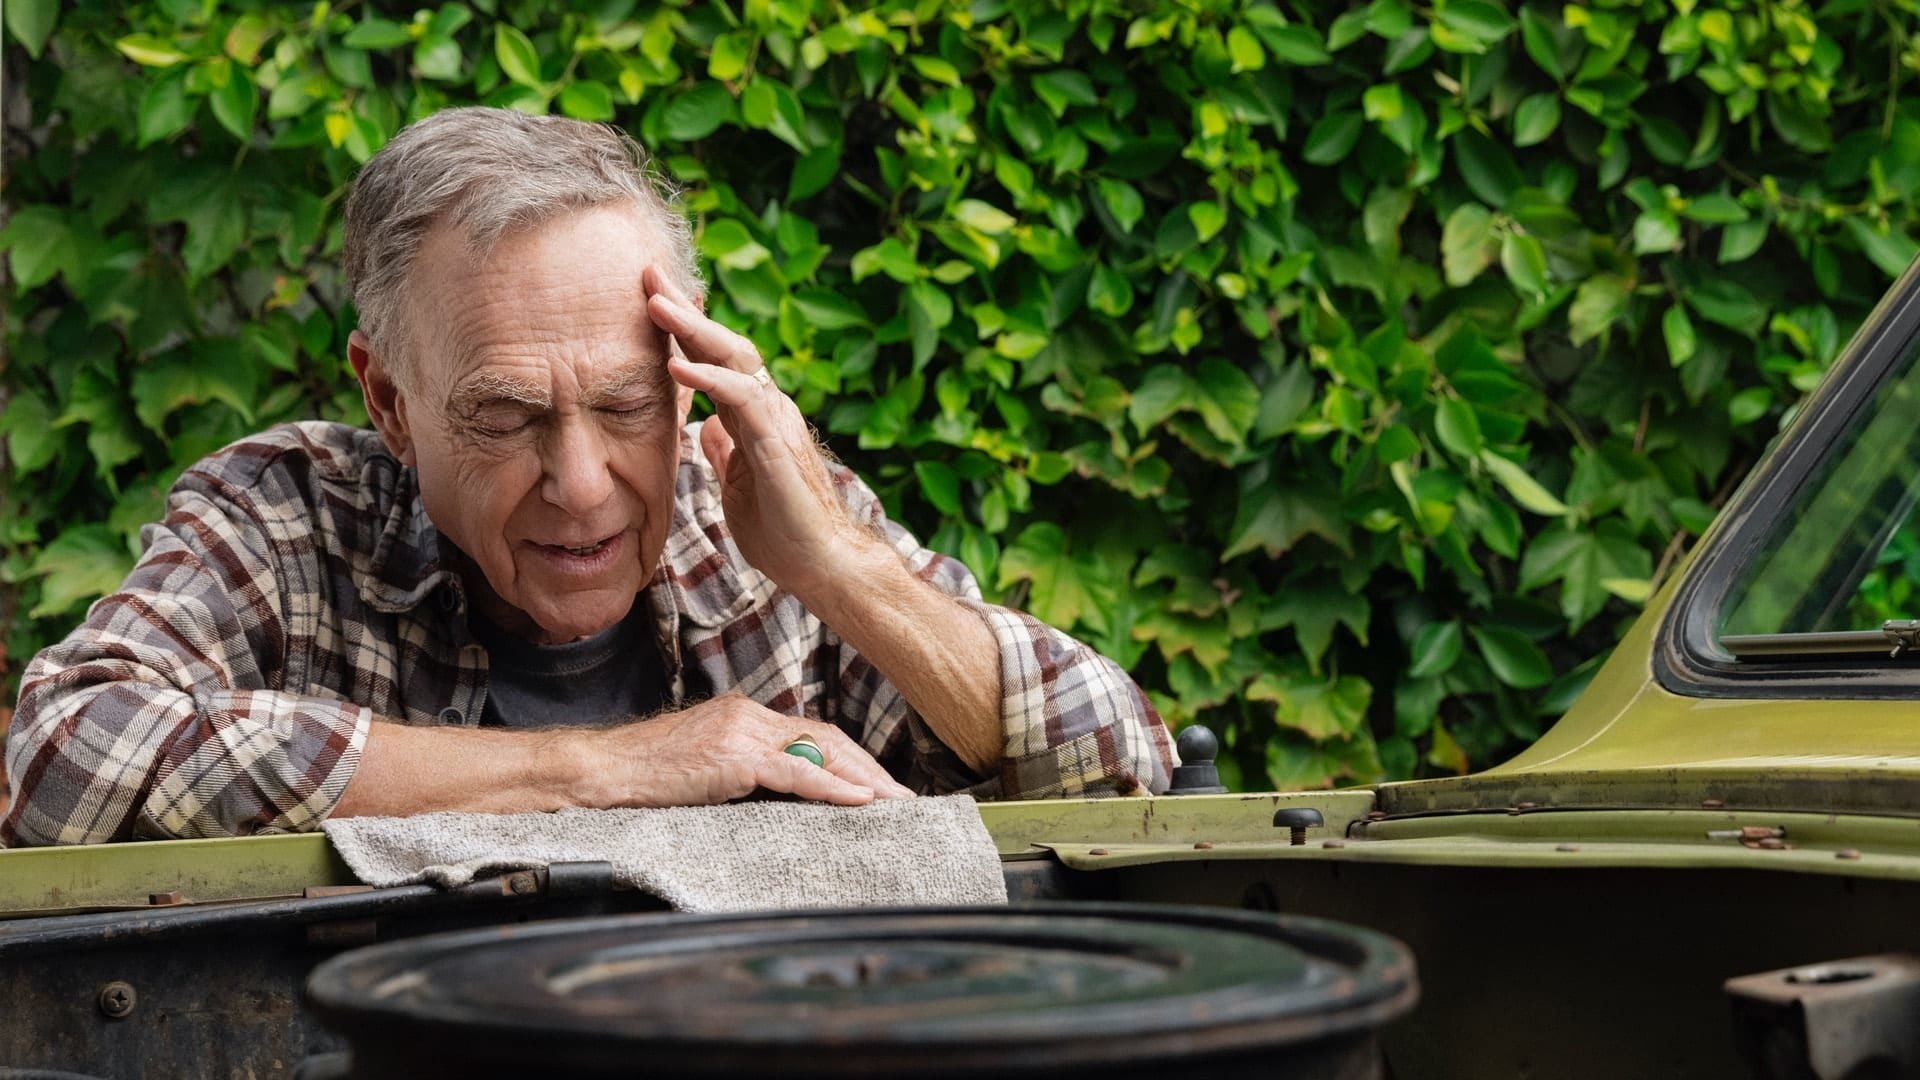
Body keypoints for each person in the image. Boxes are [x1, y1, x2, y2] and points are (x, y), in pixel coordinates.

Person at [1, 107, 1176, 846]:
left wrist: (837, 564)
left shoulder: (752, 517)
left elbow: (1118, 768)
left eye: (627, 406)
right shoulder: (284, 517)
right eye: (504, 418)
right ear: (390, 402)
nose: (581, 484)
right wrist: (610, 769)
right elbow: (65, 757)